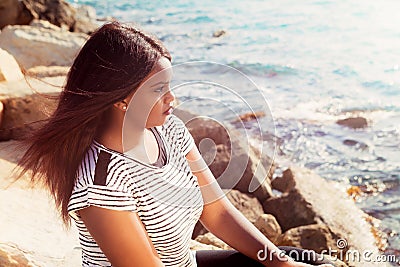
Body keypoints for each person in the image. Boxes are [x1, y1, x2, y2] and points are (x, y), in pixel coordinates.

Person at [16, 21, 336, 267]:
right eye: (158, 90)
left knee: (302, 260)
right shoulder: (103, 184)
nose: (173, 99)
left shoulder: (169, 130)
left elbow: (217, 212)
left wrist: (277, 260)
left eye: (170, 85)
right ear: (120, 99)